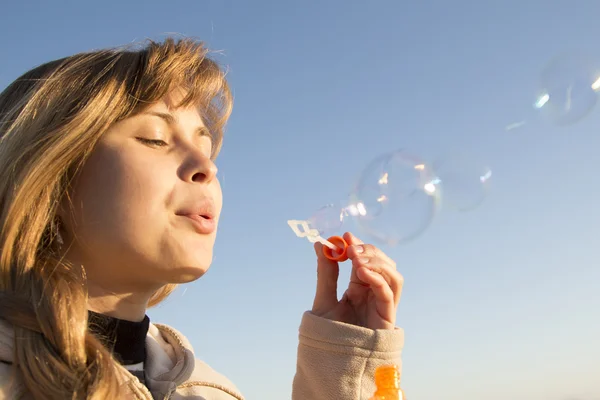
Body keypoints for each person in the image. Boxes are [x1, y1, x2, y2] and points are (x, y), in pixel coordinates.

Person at [0, 38, 405, 400]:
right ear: (49, 178)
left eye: (206, 147)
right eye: (155, 138)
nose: (205, 167)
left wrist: (344, 365)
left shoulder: (206, 389)